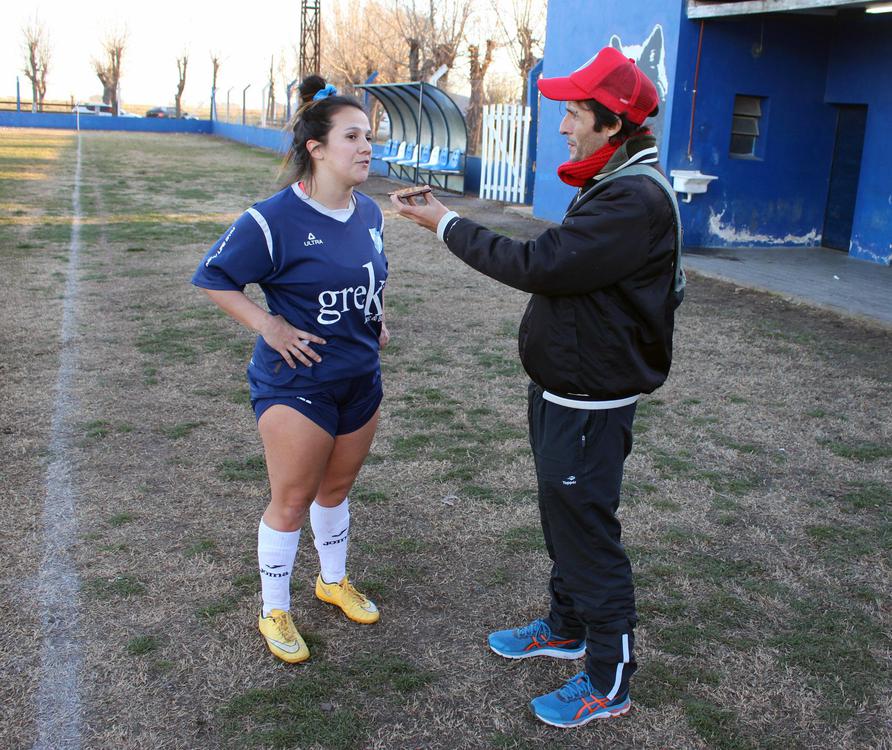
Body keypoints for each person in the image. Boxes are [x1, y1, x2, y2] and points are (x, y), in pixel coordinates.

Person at [391, 47, 683, 726]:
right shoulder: (615, 181)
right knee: (564, 519)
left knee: (586, 531)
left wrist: (445, 223)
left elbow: (539, 264)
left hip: (589, 399)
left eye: (574, 114)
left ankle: (609, 683)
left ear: (611, 123)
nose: (562, 127)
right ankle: (565, 625)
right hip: (564, 391)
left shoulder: (633, 197)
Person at [192, 80, 388, 664]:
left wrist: (375, 316)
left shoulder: (370, 210)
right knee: (294, 496)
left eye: (369, 137)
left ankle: (332, 581)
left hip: (360, 377)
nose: (366, 147)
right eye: (352, 136)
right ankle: (273, 608)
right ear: (317, 149)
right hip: (296, 384)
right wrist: (269, 326)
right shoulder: (271, 219)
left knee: (336, 488)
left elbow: (371, 274)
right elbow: (213, 278)